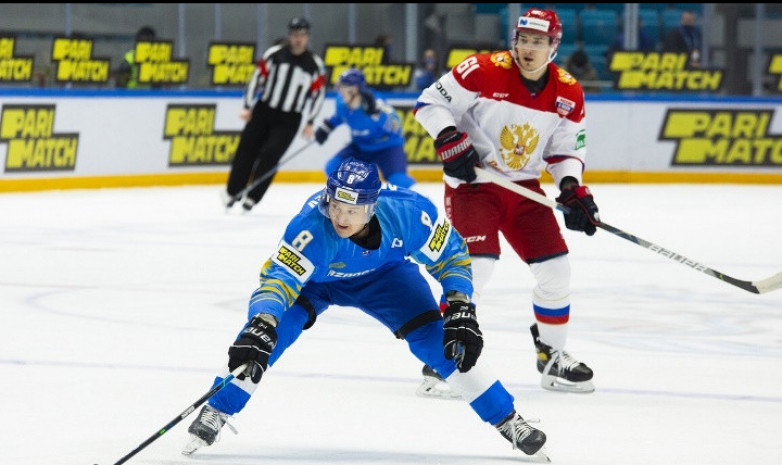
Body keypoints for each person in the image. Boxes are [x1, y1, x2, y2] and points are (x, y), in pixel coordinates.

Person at [182, 158, 549, 459]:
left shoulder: (410, 213)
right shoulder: (310, 228)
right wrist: (261, 322)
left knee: (444, 345)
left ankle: (508, 419)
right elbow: (278, 279)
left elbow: (452, 256)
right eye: (335, 206)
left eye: (352, 210)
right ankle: (217, 408)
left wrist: (459, 305)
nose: (340, 217)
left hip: (385, 277)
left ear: (372, 208)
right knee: (266, 341)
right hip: (317, 282)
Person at [413, 8, 599, 396]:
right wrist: (449, 137)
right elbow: (430, 103)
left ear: (553, 46)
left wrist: (571, 188)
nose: (528, 49)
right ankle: (439, 361)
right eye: (523, 40)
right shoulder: (482, 70)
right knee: (475, 269)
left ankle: (552, 356)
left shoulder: (568, 92)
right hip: (473, 185)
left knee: (557, 272)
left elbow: (565, 150)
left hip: (524, 188)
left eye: (538, 42)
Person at [221, 17, 326, 212]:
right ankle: (233, 191)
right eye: (295, 35)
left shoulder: (314, 64)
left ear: (308, 38)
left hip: (290, 119)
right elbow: (256, 79)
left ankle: (252, 197)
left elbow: (318, 94)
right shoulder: (274, 55)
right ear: (290, 36)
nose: (298, 39)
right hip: (264, 111)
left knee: (271, 154)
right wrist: (247, 106)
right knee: (247, 150)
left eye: (302, 36)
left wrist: (310, 121)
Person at [314, 68, 416, 189]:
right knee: (333, 167)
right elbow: (340, 117)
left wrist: (380, 116)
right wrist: (327, 127)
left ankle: (417, 197)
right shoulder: (340, 102)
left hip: (387, 147)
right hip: (360, 147)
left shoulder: (376, 103)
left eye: (343, 87)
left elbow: (396, 124)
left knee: (399, 180)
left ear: (355, 89)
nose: (339, 91)